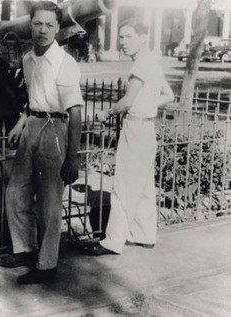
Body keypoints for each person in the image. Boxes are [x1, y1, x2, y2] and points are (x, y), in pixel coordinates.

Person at [0, 1, 83, 284]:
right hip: (32, 126)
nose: (43, 30)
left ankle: (47, 265)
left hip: (55, 130)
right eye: (37, 24)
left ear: (58, 28)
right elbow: (33, 99)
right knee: (16, 193)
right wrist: (22, 123)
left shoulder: (64, 63)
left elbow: (75, 112)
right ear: (30, 26)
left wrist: (72, 157)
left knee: (49, 202)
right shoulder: (28, 58)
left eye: (49, 25)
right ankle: (25, 249)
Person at [85, 19, 174, 256]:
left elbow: (127, 101)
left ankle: (111, 242)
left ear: (143, 37)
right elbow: (168, 95)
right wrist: (147, 107)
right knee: (143, 185)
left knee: (123, 186)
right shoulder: (151, 62)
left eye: (128, 37)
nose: (123, 42)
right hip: (146, 129)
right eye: (121, 37)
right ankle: (144, 235)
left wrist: (106, 112)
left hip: (135, 130)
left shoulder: (141, 65)